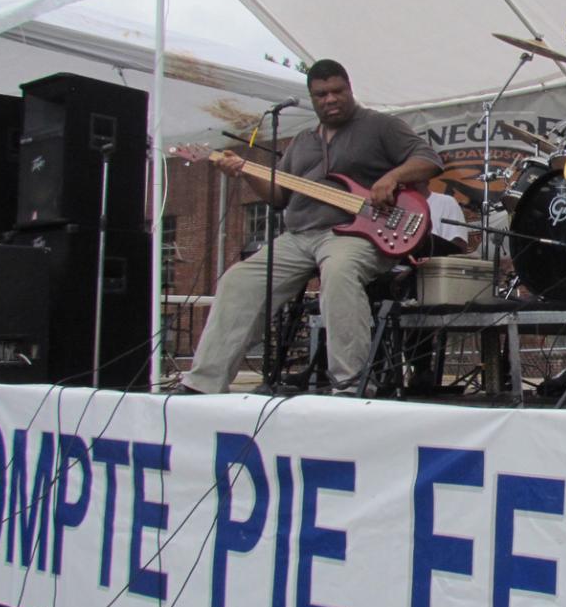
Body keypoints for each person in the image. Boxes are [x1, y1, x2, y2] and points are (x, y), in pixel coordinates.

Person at [181, 59, 443, 394]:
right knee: (238, 280)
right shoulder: (301, 142)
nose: (331, 99)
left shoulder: (381, 126)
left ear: (349, 89)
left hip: (355, 233)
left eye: (338, 91)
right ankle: (203, 382)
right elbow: (279, 197)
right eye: (322, 94)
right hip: (300, 236)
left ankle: (351, 384)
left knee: (339, 274)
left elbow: (430, 160)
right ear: (311, 97)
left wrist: (391, 178)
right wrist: (245, 171)